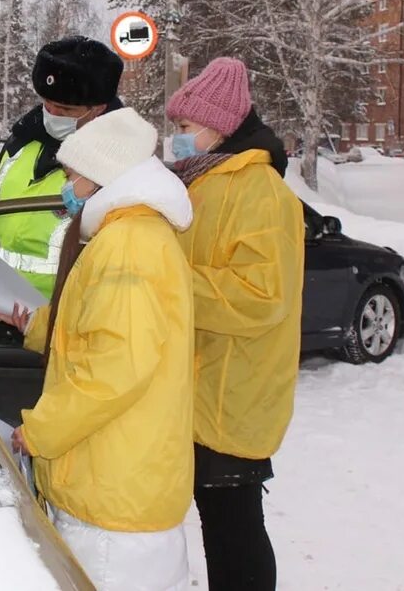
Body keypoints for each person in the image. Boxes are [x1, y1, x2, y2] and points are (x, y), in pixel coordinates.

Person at [0, 107, 196, 591]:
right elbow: (108, 330)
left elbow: (116, 368)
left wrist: (38, 432)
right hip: (121, 483)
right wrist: (39, 327)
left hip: (112, 504)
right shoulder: (133, 235)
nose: (65, 185)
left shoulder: (126, 244)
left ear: (102, 174)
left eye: (71, 174)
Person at [165, 58, 304, 591]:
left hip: (231, 392)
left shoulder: (259, 191)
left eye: (184, 128)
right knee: (221, 522)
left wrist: (171, 282)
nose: (177, 138)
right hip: (202, 383)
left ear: (217, 127)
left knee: (234, 527)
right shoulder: (201, 182)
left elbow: (261, 296)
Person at [0, 35, 123, 338]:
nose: (52, 115)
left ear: (98, 108)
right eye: (47, 104)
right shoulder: (24, 141)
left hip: (67, 326)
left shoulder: (118, 161)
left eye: (65, 109)